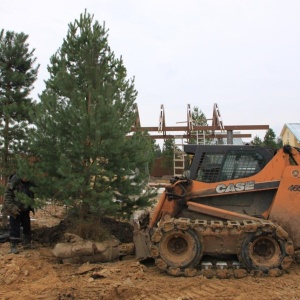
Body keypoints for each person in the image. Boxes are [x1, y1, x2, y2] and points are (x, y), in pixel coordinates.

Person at [2, 173, 35, 254]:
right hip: (14, 209)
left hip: (25, 209)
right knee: (15, 227)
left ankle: (27, 243)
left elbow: (31, 195)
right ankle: (13, 246)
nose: (26, 178)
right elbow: (7, 197)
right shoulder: (13, 183)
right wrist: (13, 208)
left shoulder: (29, 184)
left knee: (27, 226)